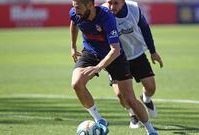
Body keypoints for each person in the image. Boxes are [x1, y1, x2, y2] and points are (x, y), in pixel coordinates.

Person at [69, 0, 158, 134]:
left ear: (90, 5)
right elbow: (74, 23)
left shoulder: (107, 18)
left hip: (115, 57)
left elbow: (115, 50)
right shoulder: (75, 13)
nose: (75, 11)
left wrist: (98, 67)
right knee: (76, 83)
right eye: (73, 6)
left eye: (78, 7)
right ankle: (99, 120)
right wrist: (73, 46)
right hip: (91, 52)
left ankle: (150, 130)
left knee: (129, 99)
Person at [102, 0, 163, 129]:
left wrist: (153, 51)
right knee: (120, 94)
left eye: (116, 3)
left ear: (123, 1)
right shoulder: (103, 12)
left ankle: (145, 99)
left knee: (151, 88)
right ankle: (133, 115)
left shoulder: (134, 8)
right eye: (109, 2)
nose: (112, 7)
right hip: (116, 59)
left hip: (137, 54)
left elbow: (145, 29)